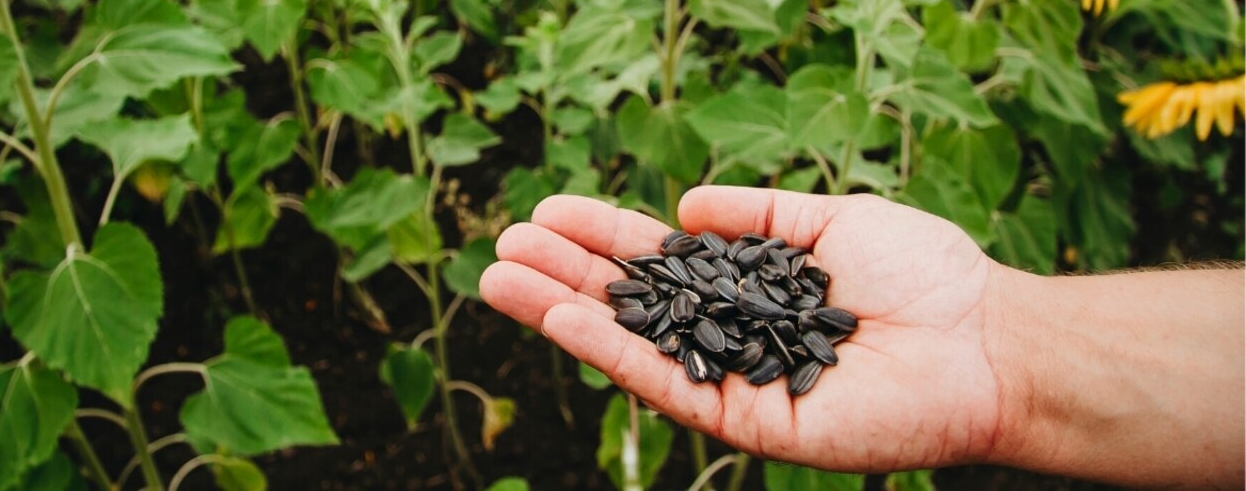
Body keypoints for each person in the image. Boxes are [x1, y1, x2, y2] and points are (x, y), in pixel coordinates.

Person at [479, 186, 1246, 489]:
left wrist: (999, 336)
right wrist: (1006, 337)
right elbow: (732, 309)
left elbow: (740, 311)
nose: (738, 296)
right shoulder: (737, 301)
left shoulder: (752, 306)